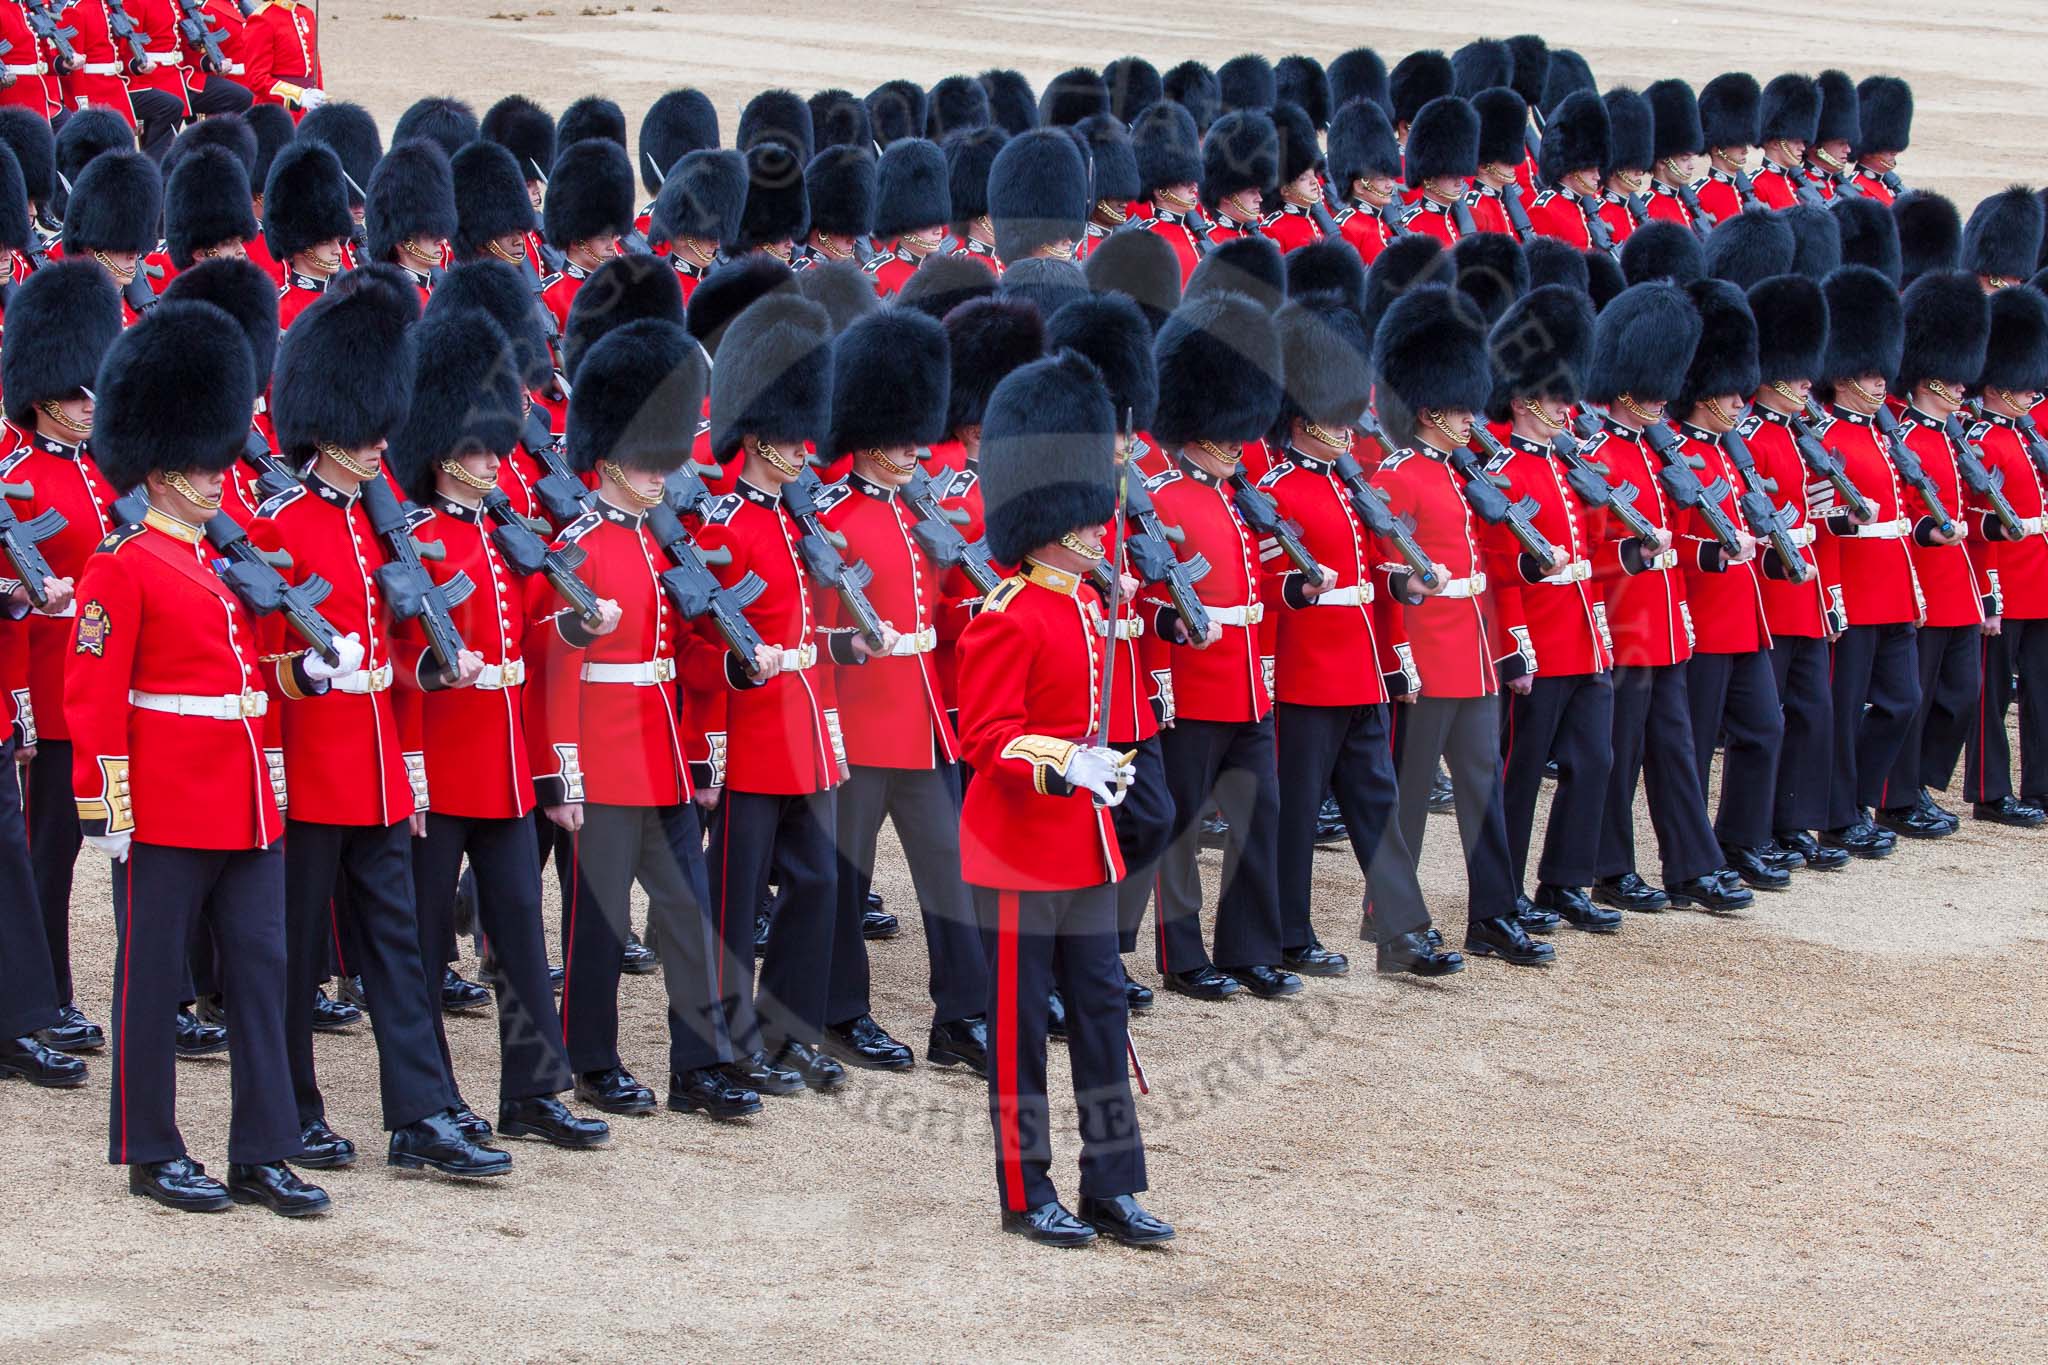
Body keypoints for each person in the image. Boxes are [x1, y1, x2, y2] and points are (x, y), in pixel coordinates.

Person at [65, 296, 326, 1215]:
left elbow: (250, 676)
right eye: (197, 468)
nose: (217, 481)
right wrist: (109, 808)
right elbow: (92, 697)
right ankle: (150, 1146)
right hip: (170, 800)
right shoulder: (120, 565)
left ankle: (263, 1148)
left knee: (260, 972)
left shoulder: (223, 563)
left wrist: (304, 675)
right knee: (149, 976)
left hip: (247, 800)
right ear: (160, 472)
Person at [255, 266, 510, 1178]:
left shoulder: (377, 521)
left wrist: (428, 666)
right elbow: (256, 660)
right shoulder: (276, 523)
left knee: (403, 949)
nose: (376, 444)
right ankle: (293, 1110)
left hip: (374, 769)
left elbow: (391, 652)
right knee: (293, 961)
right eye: (361, 428)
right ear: (322, 421)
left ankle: (422, 1112)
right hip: (308, 769)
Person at [382, 305, 616, 1147]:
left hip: (506, 766)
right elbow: (403, 670)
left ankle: (533, 1088)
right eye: (477, 448)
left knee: (518, 926)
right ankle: (428, 1103)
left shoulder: (499, 536)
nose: (491, 460)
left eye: (493, 446)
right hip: (438, 768)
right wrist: (407, 774)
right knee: (419, 945)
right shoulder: (414, 540)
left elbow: (531, 646)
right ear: (442, 452)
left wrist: (577, 624)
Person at [527, 312, 763, 1119]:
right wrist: (562, 770)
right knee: (597, 926)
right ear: (605, 461)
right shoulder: (581, 545)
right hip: (602, 755)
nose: (660, 474)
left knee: (688, 916)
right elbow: (556, 664)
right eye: (645, 459)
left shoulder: (660, 546)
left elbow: (678, 662)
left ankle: (702, 1062)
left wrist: (714, 709)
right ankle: (592, 1058)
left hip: (660, 750)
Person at [959, 346, 1170, 1250]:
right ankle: (1025, 1188)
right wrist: (1065, 762)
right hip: (1017, 846)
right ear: (1046, 523)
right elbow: (984, 736)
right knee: (1017, 1030)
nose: (1099, 529)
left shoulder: (1084, 606)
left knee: (1101, 1013)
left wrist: (1099, 769)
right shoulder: (1007, 611)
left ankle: (1112, 1185)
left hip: (1083, 846)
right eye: (1084, 517)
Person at [695, 290, 886, 1094]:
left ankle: (789, 1028)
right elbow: (703, 646)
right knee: (734, 905)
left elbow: (806, 633)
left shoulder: (795, 520)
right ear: (761, 436)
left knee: (817, 886)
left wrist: (848, 646)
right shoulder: (723, 525)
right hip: (750, 738)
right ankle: (725, 1040)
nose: (807, 448)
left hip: (807, 734)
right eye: (793, 435)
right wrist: (712, 752)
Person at [1261, 291, 1461, 974]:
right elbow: (1266, 588)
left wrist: (1405, 593)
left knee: (1379, 805)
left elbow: (1376, 572)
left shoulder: (1353, 487)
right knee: (1293, 817)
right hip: (1305, 671)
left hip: (1361, 670)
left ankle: (1402, 933)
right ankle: (1289, 934)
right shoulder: (1278, 490)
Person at [814, 304, 990, 1075]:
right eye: (901, 438)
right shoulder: (831, 520)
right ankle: (840, 1010)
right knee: (843, 883)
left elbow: (936, 612)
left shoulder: (919, 513)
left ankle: (962, 1015)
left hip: (921, 722)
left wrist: (980, 612)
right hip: (858, 722)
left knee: (950, 873)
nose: (915, 450)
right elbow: (816, 635)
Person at [1368, 284, 1553, 966]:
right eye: (1461, 408)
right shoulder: (1401, 476)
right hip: (1427, 657)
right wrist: (1400, 664)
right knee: (1409, 796)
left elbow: (1487, 573)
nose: (1473, 418)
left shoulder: (1460, 472)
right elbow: (1392, 578)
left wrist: (1509, 650)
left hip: (1473, 657)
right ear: (1430, 408)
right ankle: (1395, 927)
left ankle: (1494, 914)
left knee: (1484, 790)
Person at [1136, 291, 1300, 1000]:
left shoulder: (1238, 496)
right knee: (1180, 822)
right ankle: (1183, 953)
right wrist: (1166, 676)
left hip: (1244, 682)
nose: (1237, 443)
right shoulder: (1163, 496)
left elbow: (1257, 592)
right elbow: (1149, 594)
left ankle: (1250, 947)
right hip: (1195, 683)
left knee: (1259, 815)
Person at [1580, 282, 1754, 914]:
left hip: (1668, 626)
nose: (1661, 396)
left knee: (1677, 753)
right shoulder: (1599, 454)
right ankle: (1609, 866)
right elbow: (1594, 549)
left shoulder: (1656, 452)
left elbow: (1674, 539)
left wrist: (1709, 554)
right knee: (1618, 759)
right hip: (1625, 626)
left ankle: (1692, 865)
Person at [0, 262, 125, 1059]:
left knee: (97, 843)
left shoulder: (101, 470)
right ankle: (46, 995)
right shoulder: (15, 484)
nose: (90, 406)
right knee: (46, 854)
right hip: (49, 690)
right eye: (79, 395)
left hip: (102, 691)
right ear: (43, 396)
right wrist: (22, 709)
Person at [1482, 284, 1630, 933]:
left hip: (1583, 637)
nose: (1566, 409)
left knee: (1594, 759)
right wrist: (1515, 646)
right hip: (1537, 643)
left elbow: (1587, 555)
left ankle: (1564, 880)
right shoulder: (1501, 471)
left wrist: (1630, 555)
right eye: (1554, 398)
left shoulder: (1568, 466)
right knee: (1518, 774)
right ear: (1522, 399)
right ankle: (1503, 888)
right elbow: (1497, 568)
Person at [1670, 279, 1791, 889]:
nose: (1741, 400)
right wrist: (1715, 552)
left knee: (1765, 729)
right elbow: (1668, 539)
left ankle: (1740, 840)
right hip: (1703, 620)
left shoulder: (1731, 452)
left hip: (1746, 617)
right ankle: (1690, 862)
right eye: (1728, 391)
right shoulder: (1680, 458)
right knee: (1688, 751)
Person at [1743, 271, 1856, 869]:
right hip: (1769, 591)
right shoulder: (1750, 437)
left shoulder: (1798, 433)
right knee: (1769, 722)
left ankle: (1794, 822)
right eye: (1795, 371)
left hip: (1807, 592)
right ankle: (1755, 827)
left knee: (1814, 714)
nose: (1807, 382)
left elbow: (1818, 524)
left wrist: (1831, 594)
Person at [1875, 270, 1993, 838]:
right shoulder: (1905, 437)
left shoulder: (1952, 435)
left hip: (1961, 583)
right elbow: (1898, 509)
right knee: (1915, 699)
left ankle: (1919, 781)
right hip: (1922, 581)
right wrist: (1926, 532)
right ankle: (1897, 796)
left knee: (1960, 693)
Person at [1813, 264, 1915, 857]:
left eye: (1882, 373)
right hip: (1851, 586)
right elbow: (1827, 527)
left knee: (1901, 700)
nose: (1880, 384)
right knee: (1845, 707)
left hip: (1893, 586)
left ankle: (1862, 798)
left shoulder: (1883, 432)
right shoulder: (1825, 437)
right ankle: (1839, 813)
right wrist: (1832, 595)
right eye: (1869, 374)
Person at [1961, 283, 2048, 824]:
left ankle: (2040, 783)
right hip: (2004, 579)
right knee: (1991, 696)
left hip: (2039, 576)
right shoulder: (1979, 437)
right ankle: (1991, 792)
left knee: (2041, 689)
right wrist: (1988, 593)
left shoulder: (2025, 433)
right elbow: (1976, 524)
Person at [539, 136, 633, 333]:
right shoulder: (551, 295)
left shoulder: (625, 287)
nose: (612, 246)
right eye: (602, 238)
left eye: (613, 237)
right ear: (576, 241)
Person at [261, 139, 354, 331]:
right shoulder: (279, 311)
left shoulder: (351, 304)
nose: (337, 250)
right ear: (301, 244)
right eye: (326, 242)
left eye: (337, 240)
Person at [863, 136, 949, 295]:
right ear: (904, 222)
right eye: (927, 223)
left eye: (938, 221)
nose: (938, 231)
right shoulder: (878, 276)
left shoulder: (946, 273)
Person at [1326, 96, 1405, 264]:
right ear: (1360, 186)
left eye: (1389, 177)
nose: (1390, 184)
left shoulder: (1385, 221)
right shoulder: (1347, 227)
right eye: (1382, 178)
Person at [1398, 95, 1476, 246]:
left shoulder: (1465, 218)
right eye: (1450, 174)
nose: (1459, 181)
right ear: (1429, 178)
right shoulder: (1413, 226)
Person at [1197, 109, 1276, 247]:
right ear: (1227, 196)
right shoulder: (1211, 241)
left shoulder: (1260, 236)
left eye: (1258, 191)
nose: (1260, 198)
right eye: (1251, 191)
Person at [240, 0, 324, 119]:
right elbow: (256, 79)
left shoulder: (306, 14)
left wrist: (319, 98)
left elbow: (315, 67)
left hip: (308, 110)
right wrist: (298, 95)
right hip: (276, 113)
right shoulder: (262, 18)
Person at [1850, 78, 1912, 204]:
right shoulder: (1855, 190)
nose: (1894, 152)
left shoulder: (1893, 189)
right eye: (1886, 147)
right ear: (1868, 150)